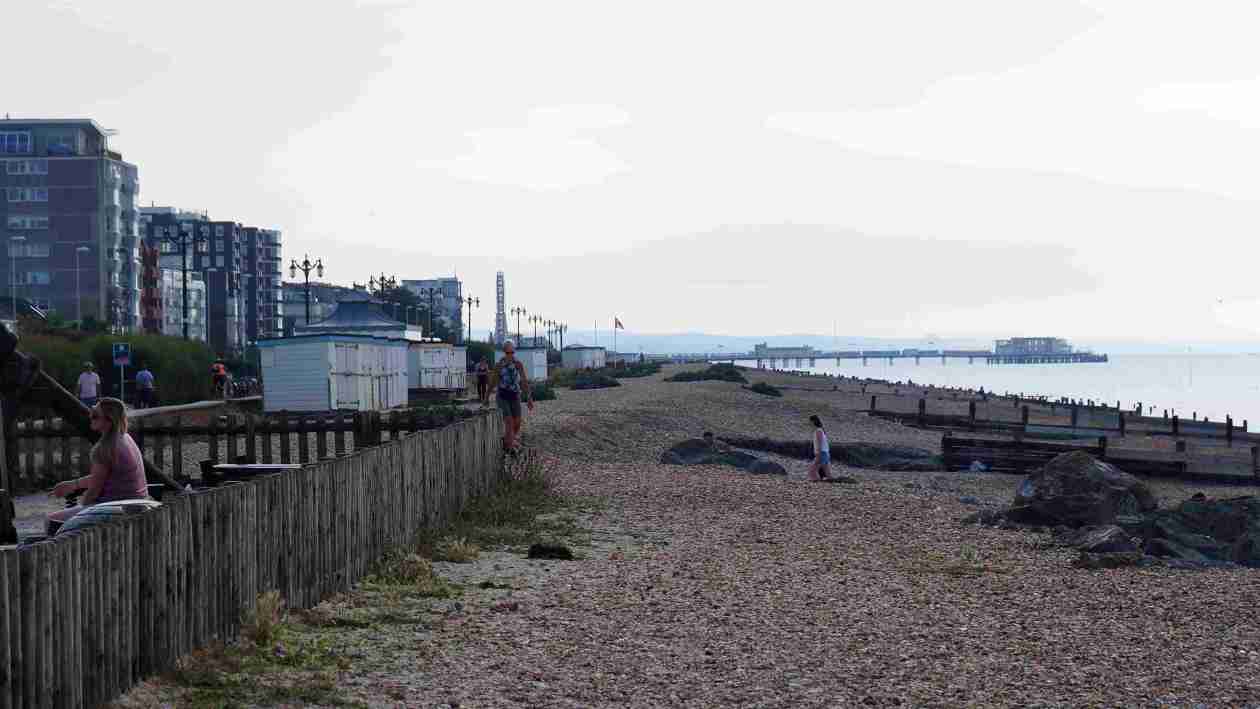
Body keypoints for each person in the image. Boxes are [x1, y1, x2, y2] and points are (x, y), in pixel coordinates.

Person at [46, 398, 148, 533]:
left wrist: (82, 510)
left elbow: (93, 492)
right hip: (136, 504)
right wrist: (73, 485)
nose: (90, 417)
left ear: (109, 421)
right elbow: (104, 477)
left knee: (51, 520)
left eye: (95, 415)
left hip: (115, 509)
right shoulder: (125, 438)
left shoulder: (104, 449)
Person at [489, 339, 533, 454]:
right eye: (508, 352)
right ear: (504, 352)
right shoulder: (499, 365)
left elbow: (524, 381)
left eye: (512, 352)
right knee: (509, 421)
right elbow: (493, 382)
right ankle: (510, 447)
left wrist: (529, 398)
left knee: (517, 423)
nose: (510, 355)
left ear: (514, 352)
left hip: (515, 395)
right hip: (503, 396)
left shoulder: (518, 364)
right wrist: (486, 397)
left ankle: (508, 440)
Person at [807, 414, 831, 481]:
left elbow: (819, 443)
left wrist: (818, 454)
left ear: (813, 421)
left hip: (822, 453)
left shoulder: (818, 431)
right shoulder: (821, 430)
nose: (809, 423)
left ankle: (817, 482)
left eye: (810, 422)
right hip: (825, 453)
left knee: (812, 471)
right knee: (828, 474)